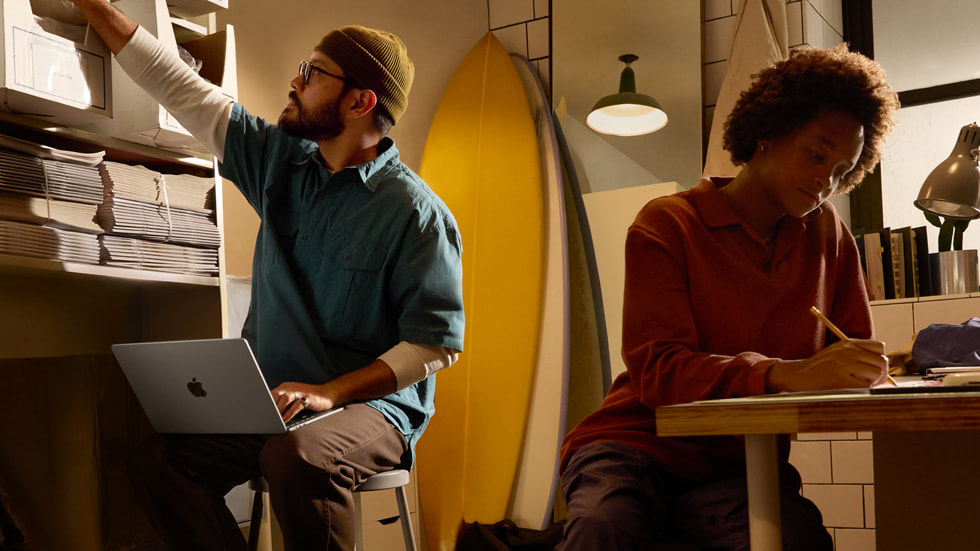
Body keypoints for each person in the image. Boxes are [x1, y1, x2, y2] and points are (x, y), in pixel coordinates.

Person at [68, 2, 465, 550]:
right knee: (159, 461)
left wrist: (330, 393)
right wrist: (91, 5)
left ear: (361, 102)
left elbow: (434, 346)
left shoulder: (417, 214)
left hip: (373, 411)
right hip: (275, 400)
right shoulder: (280, 162)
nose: (295, 82)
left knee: (297, 457)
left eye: (313, 73)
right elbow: (176, 84)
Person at [557, 44, 899, 550]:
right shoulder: (669, 223)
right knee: (603, 529)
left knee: (798, 541)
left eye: (841, 171)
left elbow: (846, 355)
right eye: (816, 154)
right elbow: (659, 373)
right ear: (768, 133)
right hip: (636, 444)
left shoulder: (827, 233)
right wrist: (782, 373)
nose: (825, 182)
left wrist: (862, 368)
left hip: (740, 464)